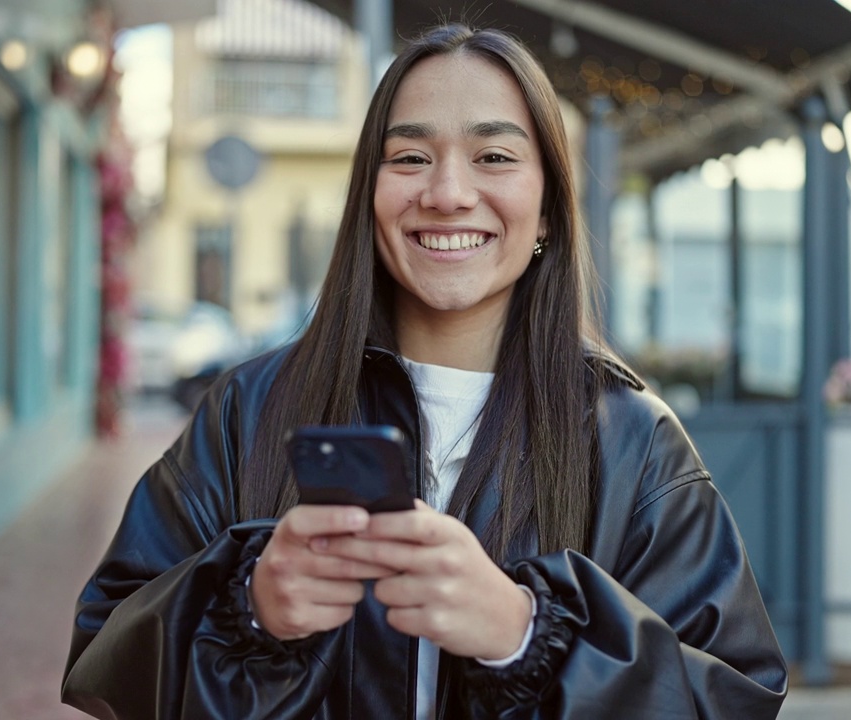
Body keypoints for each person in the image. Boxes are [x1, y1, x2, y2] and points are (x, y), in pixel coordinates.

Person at [62, 24, 788, 719]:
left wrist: (527, 633)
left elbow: (732, 700)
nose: (446, 193)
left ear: (545, 214)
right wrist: (250, 605)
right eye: (409, 158)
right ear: (368, 196)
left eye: (494, 158)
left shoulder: (635, 442)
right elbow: (105, 654)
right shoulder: (248, 409)